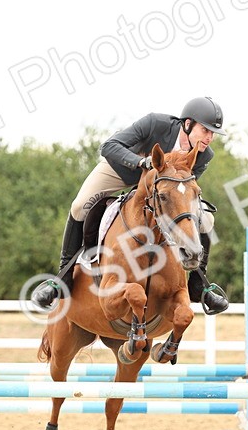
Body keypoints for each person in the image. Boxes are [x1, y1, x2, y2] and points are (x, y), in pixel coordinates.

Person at [30, 96, 230, 315]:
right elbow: (109, 146)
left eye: (213, 133)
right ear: (188, 124)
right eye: (205, 130)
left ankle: (198, 284)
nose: (209, 138)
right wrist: (140, 162)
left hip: (158, 189)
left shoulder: (204, 155)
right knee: (79, 206)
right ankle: (63, 278)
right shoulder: (155, 123)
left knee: (206, 219)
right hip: (121, 170)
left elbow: (184, 190)